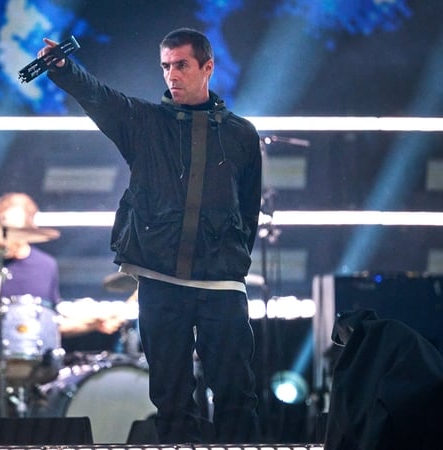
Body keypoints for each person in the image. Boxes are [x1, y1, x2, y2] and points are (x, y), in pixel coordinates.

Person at [39, 28, 262, 444]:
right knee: (171, 400)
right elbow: (99, 97)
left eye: (181, 65)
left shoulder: (242, 134)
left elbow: (248, 209)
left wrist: (230, 262)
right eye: (165, 66)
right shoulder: (143, 122)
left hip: (222, 284)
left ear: (207, 67)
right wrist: (65, 69)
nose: (172, 74)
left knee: (236, 396)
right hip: (160, 281)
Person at [0, 192, 124, 415]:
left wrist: (94, 324)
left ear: (30, 228)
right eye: (4, 228)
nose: (8, 236)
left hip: (36, 375)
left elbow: (51, 325)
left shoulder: (46, 266)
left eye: (17, 230)